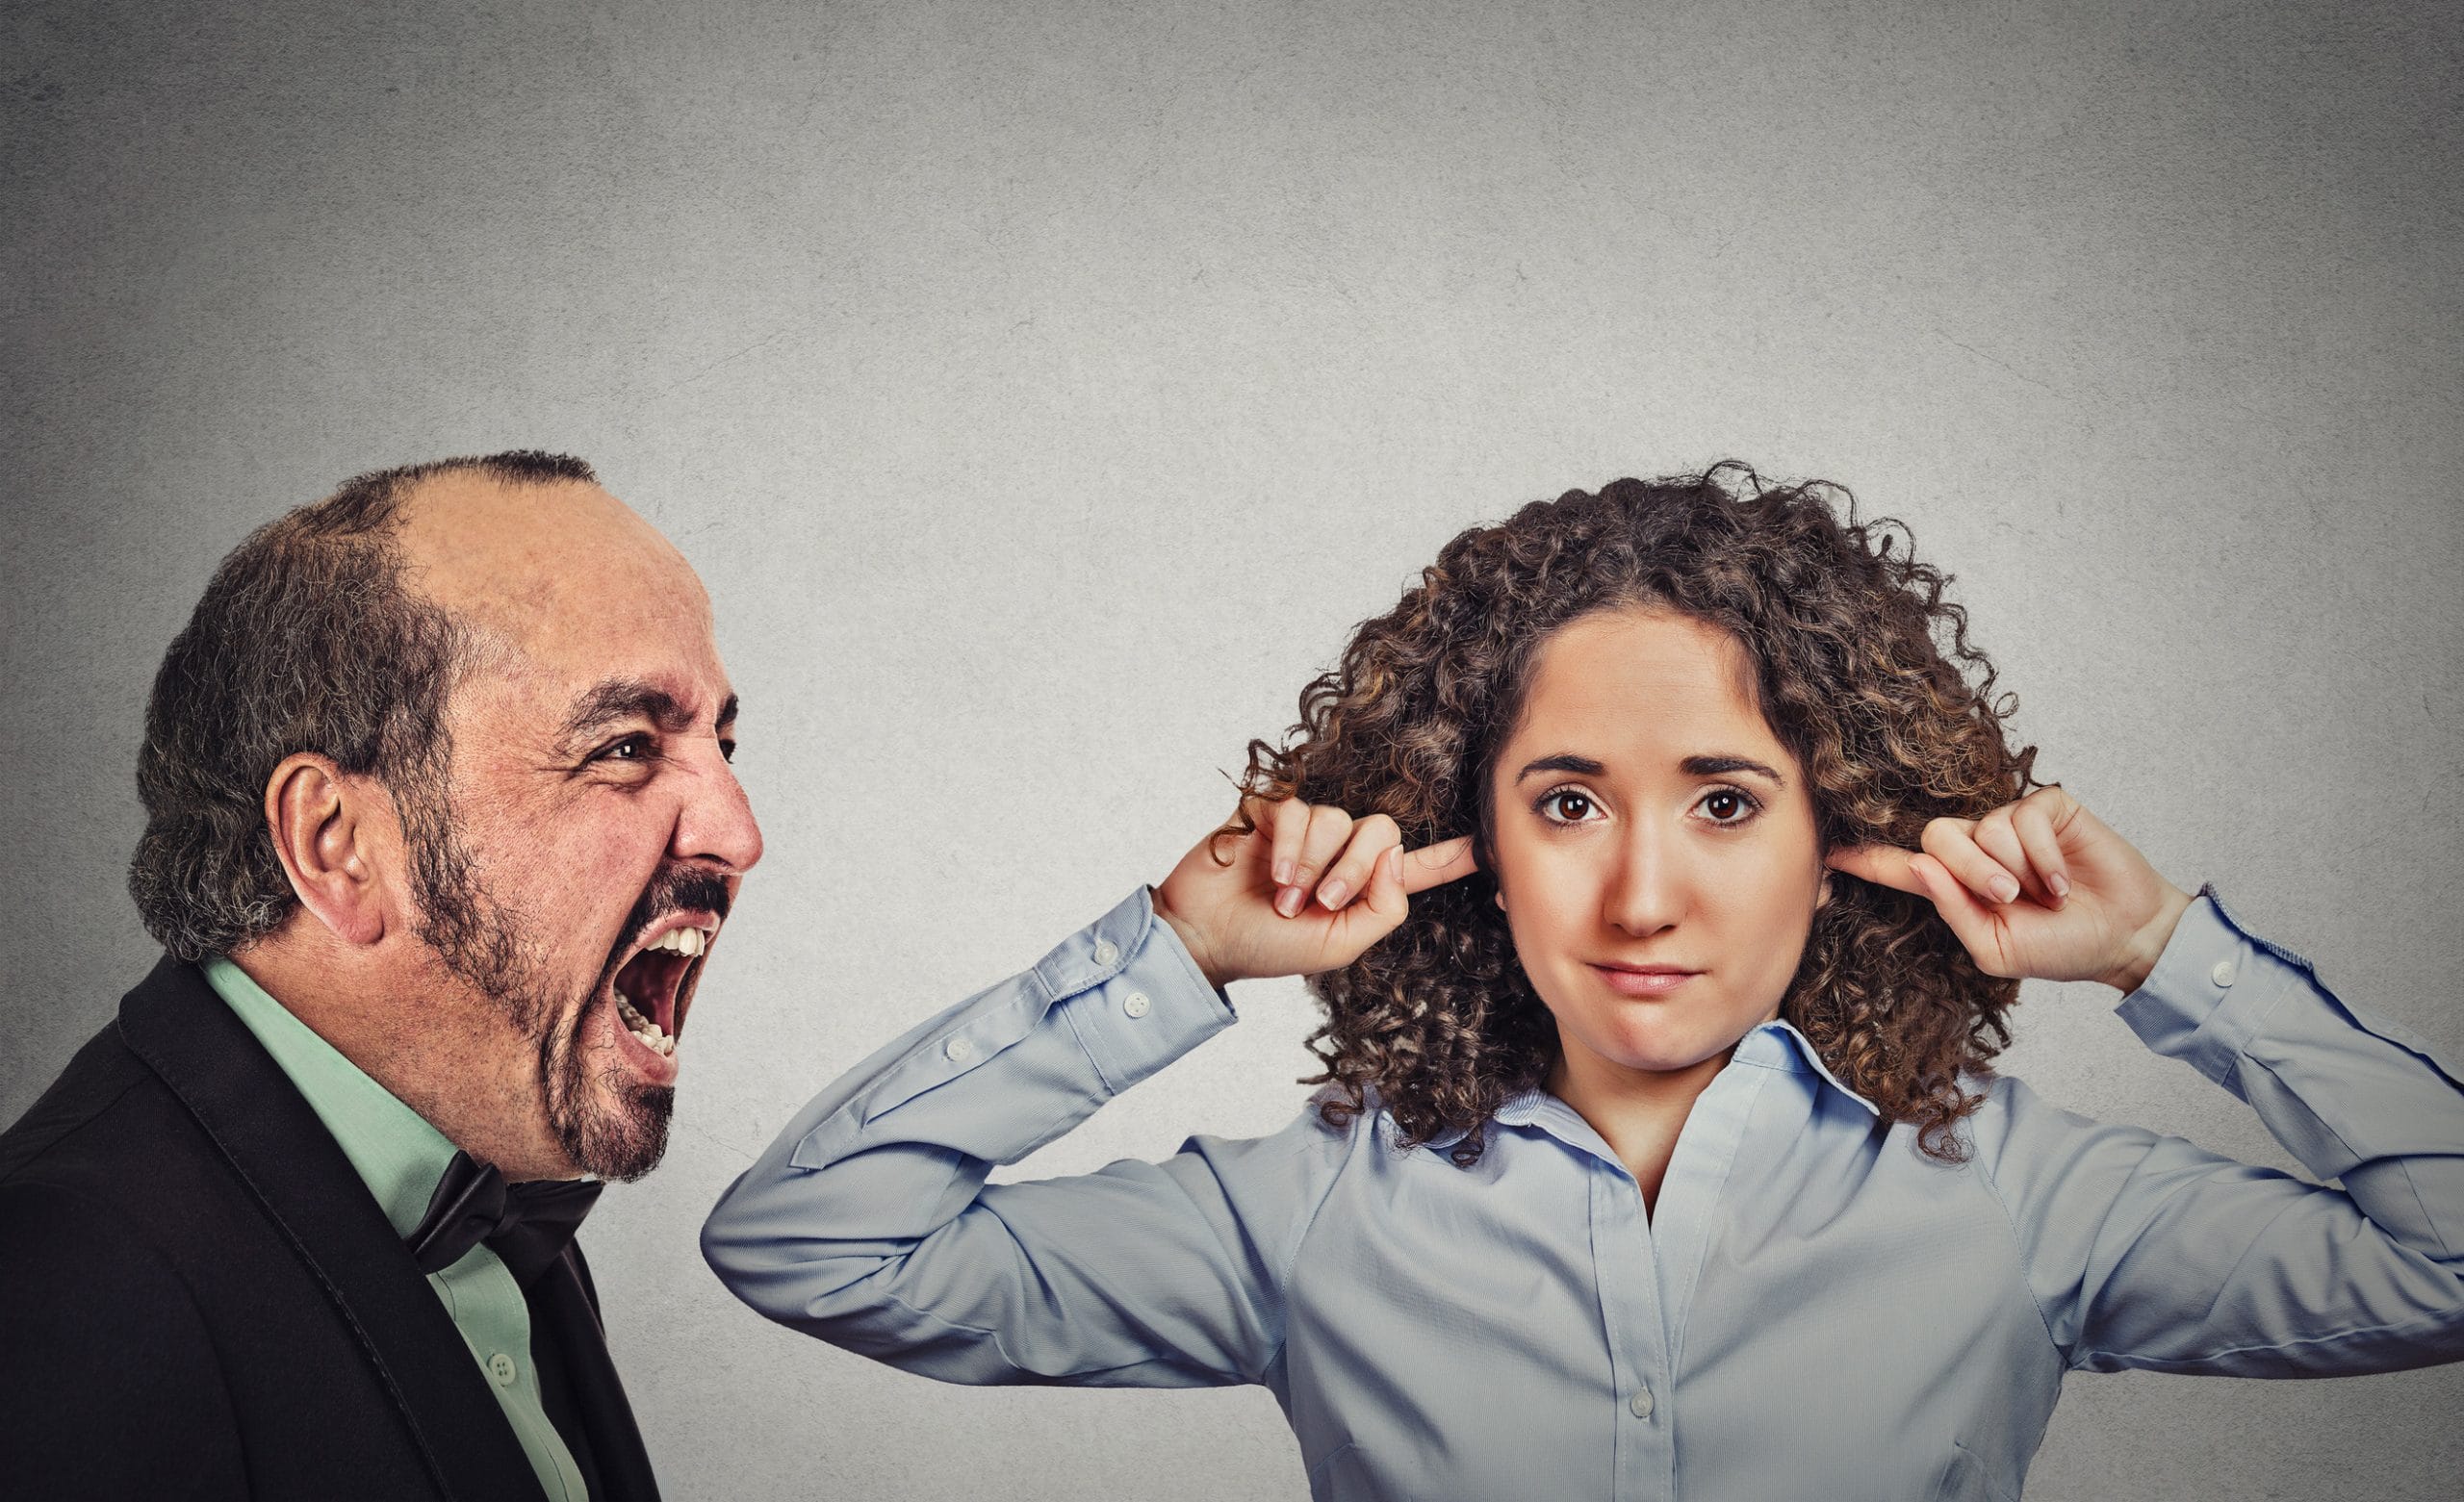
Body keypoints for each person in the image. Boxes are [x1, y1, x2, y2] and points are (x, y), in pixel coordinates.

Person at [701, 465, 2462, 1500]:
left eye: (1722, 799)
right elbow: (811, 1241)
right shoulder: (1317, 1216)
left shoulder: (2016, 1195)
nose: (1639, 891)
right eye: (1566, 802)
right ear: (1468, 832)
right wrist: (1174, 957)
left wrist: (2172, 955)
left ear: (1836, 828)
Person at [0, 452, 763, 1501]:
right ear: (335, 845)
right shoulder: (59, 1293)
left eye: (723, 743)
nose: (738, 831)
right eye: (626, 745)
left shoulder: (489, 1182)